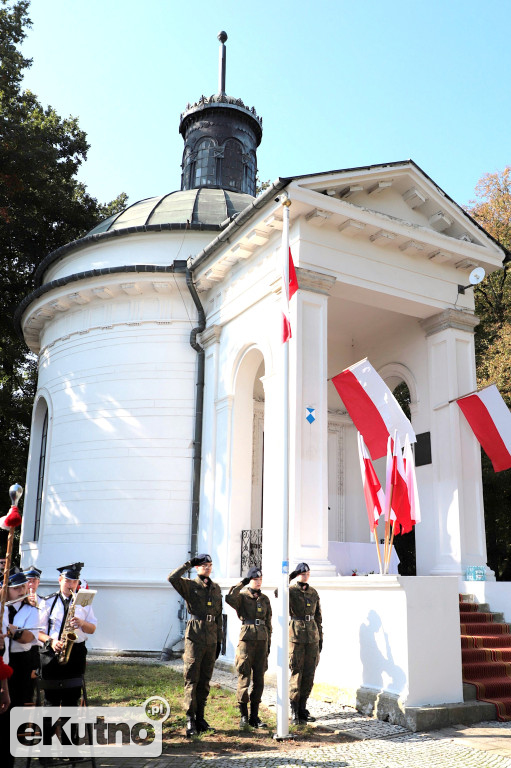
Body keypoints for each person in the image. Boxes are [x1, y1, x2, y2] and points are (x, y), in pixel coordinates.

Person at [168, 554, 223, 737]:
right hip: (195, 635)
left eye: (210, 565)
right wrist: (188, 564)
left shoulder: (215, 588)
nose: (207, 568)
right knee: (192, 678)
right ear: (197, 568)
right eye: (203, 565)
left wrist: (219, 640)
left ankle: (201, 717)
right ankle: (190, 719)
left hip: (211, 636)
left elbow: (219, 616)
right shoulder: (190, 585)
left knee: (205, 680)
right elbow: (172, 578)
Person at [38, 562, 97, 706]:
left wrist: (82, 623)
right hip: (52, 653)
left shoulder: (84, 603)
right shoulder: (47, 602)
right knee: (50, 701)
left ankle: (69, 729)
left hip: (75, 653)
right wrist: (51, 641)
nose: (71, 584)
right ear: (60, 580)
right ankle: (49, 729)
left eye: (74, 581)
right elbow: (37, 632)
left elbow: (92, 629)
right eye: (67, 580)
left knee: (71, 700)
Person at [226, 565, 272, 728]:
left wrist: (268, 644)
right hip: (247, 640)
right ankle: (243, 716)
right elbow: (229, 597)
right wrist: (242, 582)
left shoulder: (265, 599)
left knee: (259, 680)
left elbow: (268, 622)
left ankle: (254, 716)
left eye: (260, 579)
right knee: (244, 676)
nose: (258, 582)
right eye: (255, 579)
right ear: (249, 580)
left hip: (262, 641)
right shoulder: (242, 596)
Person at [288, 562, 323, 725]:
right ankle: (294, 709)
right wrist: (289, 577)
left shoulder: (313, 592)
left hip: (312, 637)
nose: (305, 575)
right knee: (297, 672)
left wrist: (320, 638)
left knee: (309, 674)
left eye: (307, 573)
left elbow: (318, 617)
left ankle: (303, 708)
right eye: (302, 573)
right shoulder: (291, 591)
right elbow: (277, 593)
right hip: (296, 637)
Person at [5, 569, 40, 707]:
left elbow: (27, 638)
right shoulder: (2, 609)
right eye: (16, 588)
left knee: (19, 701)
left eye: (23, 586)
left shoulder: (31, 610)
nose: (21, 591)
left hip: (21, 661)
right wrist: (15, 631)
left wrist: (7, 628)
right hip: (3, 659)